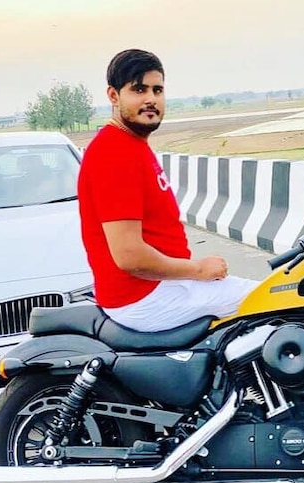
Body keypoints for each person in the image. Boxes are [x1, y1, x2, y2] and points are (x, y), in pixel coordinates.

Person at [77, 49, 257, 332]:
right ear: (113, 95)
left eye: (157, 90)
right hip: (143, 296)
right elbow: (130, 257)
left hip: (161, 286)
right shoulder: (113, 153)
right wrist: (199, 270)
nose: (150, 98)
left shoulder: (132, 145)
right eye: (138, 89)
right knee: (276, 302)